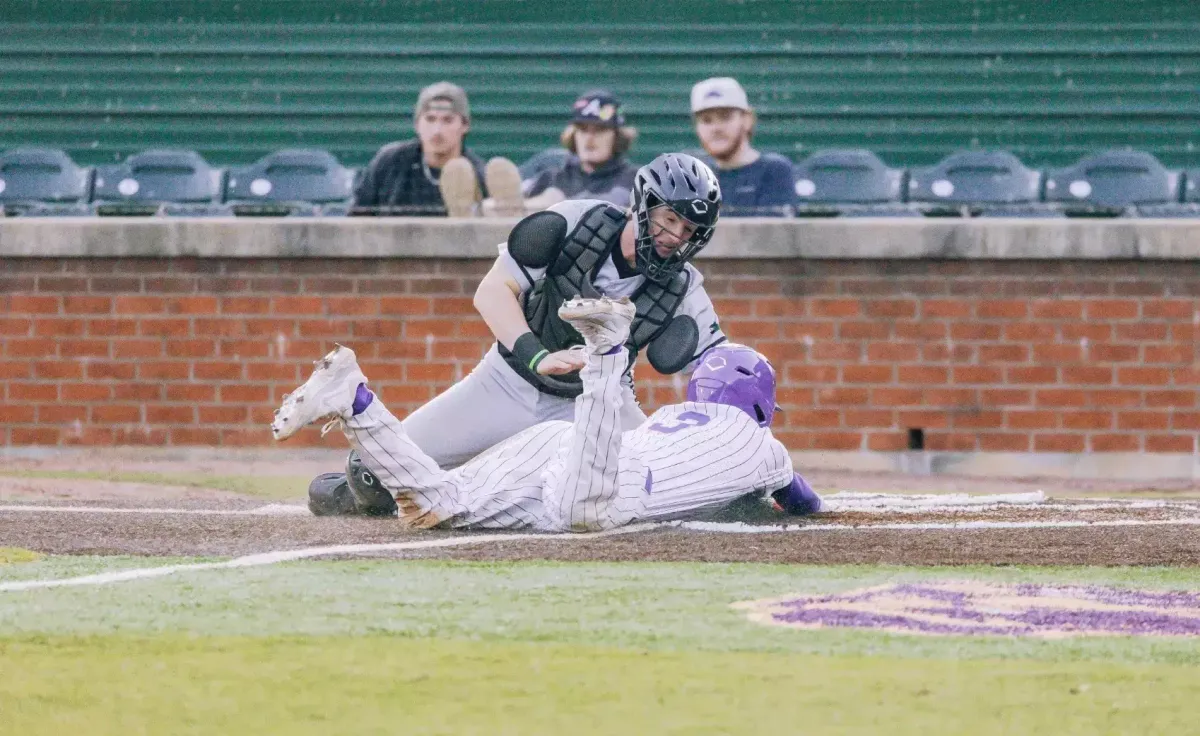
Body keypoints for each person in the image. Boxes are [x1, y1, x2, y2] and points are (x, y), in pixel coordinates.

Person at [305, 153, 730, 509]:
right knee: (373, 476)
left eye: (689, 230)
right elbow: (491, 292)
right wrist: (538, 356)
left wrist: (733, 441)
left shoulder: (685, 286)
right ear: (643, 205)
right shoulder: (576, 222)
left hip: (599, 403)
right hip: (509, 381)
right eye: (669, 218)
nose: (675, 236)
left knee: (680, 487)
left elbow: (720, 366)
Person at [273, 297, 823, 529]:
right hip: (606, 481)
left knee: (432, 507)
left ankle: (358, 403)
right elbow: (803, 503)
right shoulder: (766, 447)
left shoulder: (668, 417)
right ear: (759, 403)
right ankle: (608, 349)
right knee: (586, 512)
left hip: (559, 443)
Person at [485, 89, 639, 214]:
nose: (589, 139)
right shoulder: (554, 176)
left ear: (617, 137)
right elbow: (511, 200)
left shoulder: (632, 179)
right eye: (582, 130)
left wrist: (555, 202)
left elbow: (613, 203)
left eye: (600, 130)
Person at [351, 81, 489, 217]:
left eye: (447, 120)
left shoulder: (479, 174)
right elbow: (356, 219)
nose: (437, 130)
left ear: (465, 125)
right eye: (430, 119)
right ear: (417, 124)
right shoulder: (390, 163)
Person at [690, 77, 795, 217]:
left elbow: (773, 235)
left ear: (747, 120)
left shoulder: (774, 171)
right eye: (706, 120)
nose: (716, 128)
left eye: (725, 117)